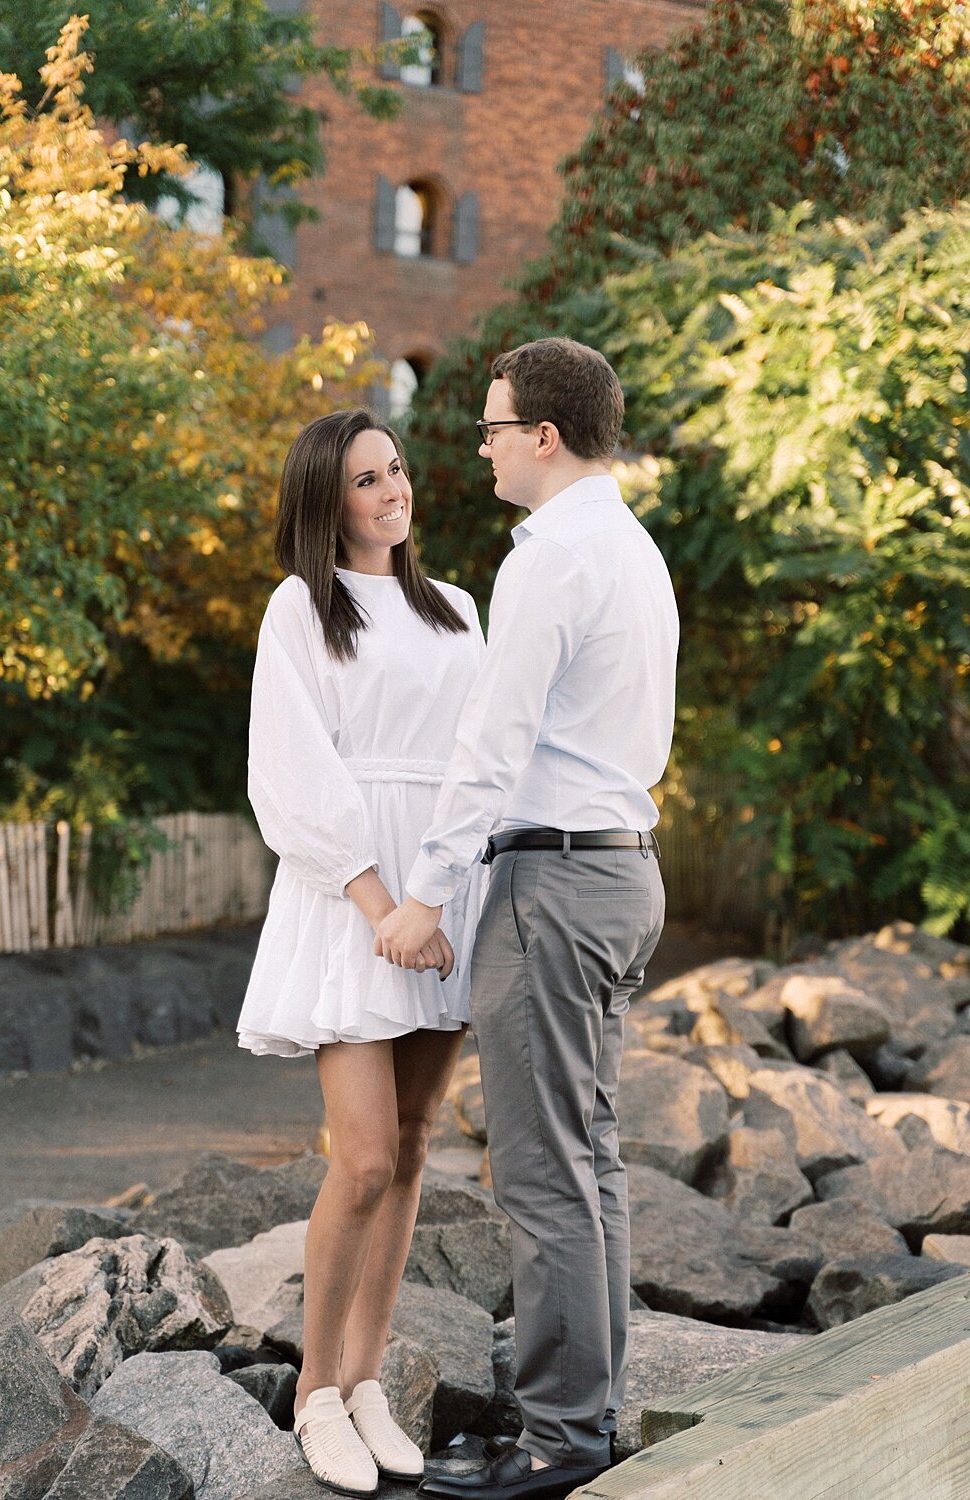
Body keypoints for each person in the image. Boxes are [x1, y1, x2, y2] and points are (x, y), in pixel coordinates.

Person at [376, 339, 679, 1500]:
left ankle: (559, 1444)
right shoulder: (633, 549)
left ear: (542, 436)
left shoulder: (550, 558)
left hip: (553, 886)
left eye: (493, 427)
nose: (486, 445)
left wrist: (424, 894)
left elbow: (493, 748)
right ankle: (584, 1419)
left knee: (546, 1175)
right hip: (618, 874)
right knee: (587, 1160)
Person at [236, 408, 485, 1497]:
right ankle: (313, 1394)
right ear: (325, 502)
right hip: (353, 898)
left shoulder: (458, 610)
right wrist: (381, 901)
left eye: (395, 471)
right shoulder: (301, 610)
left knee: (421, 1143)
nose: (392, 492)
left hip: (442, 895)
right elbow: (290, 770)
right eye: (364, 480)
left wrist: (435, 897)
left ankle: (368, 1377)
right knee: (367, 1155)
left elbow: (483, 763)